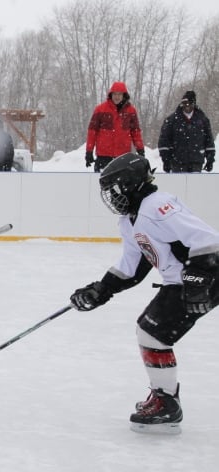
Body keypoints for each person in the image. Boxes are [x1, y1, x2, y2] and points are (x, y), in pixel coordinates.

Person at [69, 152, 219, 434]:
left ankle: (167, 404)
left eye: (114, 190)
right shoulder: (130, 221)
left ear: (130, 183)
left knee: (152, 332)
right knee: (150, 332)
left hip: (203, 275)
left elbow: (206, 240)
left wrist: (199, 280)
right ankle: (164, 398)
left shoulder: (157, 205)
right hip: (184, 280)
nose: (111, 198)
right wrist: (101, 289)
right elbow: (133, 266)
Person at [85, 81, 145, 172]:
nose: (117, 97)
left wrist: (140, 149)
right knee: (102, 183)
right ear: (111, 95)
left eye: (119, 94)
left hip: (123, 156)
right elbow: (92, 131)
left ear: (124, 95)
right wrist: (89, 151)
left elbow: (135, 132)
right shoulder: (100, 109)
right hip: (103, 155)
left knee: (122, 184)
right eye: (115, 94)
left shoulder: (131, 111)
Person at [157, 90, 215, 173]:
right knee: (178, 185)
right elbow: (163, 141)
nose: (186, 106)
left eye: (189, 104)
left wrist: (210, 159)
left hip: (196, 162)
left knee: (195, 185)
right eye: (184, 104)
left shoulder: (203, 119)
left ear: (194, 104)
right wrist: (166, 160)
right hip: (177, 162)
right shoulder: (171, 120)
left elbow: (209, 140)